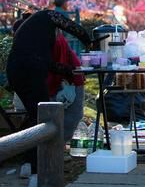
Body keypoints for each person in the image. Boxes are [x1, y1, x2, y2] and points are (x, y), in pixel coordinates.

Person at [6, 9, 92, 172]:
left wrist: (67, 70)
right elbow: (73, 27)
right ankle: (37, 164)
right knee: (43, 118)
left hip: (16, 71)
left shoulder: (32, 36)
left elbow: (46, 63)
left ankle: (30, 160)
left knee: (36, 114)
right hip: (30, 72)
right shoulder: (48, 15)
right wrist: (89, 42)